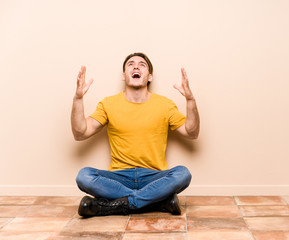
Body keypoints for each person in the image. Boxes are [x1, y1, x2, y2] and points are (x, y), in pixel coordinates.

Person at [71, 52, 200, 217]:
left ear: (150, 77)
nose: (136, 66)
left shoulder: (165, 105)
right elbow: (80, 133)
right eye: (130, 64)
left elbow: (192, 132)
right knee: (84, 176)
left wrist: (191, 100)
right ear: (124, 76)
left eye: (142, 64)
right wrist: (77, 99)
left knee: (183, 174)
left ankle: (114, 205)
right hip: (118, 177)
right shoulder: (108, 104)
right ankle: (158, 201)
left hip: (154, 177)